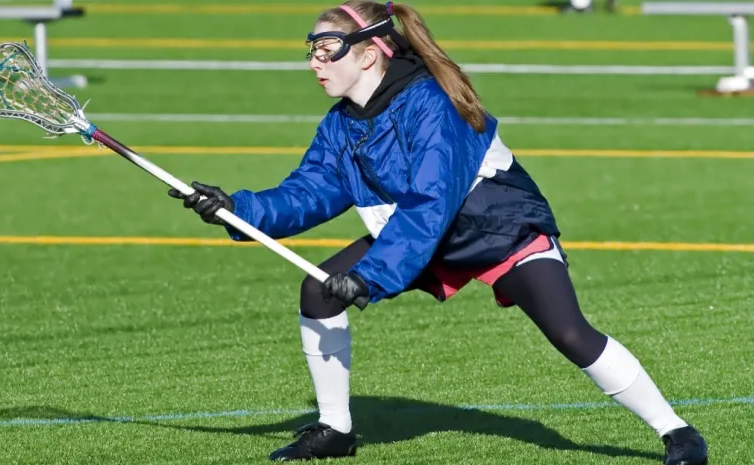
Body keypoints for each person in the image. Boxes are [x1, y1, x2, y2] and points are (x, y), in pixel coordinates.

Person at [167, 1, 708, 463]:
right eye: (310, 49)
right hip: (418, 238)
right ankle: (336, 430)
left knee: (570, 333)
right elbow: (309, 192)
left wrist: (373, 277)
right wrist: (237, 209)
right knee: (318, 291)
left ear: (369, 51)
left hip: (496, 227)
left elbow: (432, 202)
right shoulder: (340, 124)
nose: (314, 62)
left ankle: (677, 431)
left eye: (325, 49)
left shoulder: (432, 104)